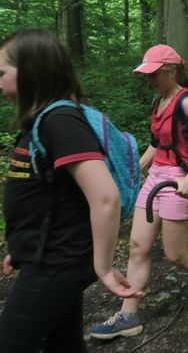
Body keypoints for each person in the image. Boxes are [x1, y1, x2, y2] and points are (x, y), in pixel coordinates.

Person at [0, 29, 143, 352]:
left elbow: (105, 198)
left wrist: (104, 267)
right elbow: (49, 195)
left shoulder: (60, 120)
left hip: (58, 260)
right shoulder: (43, 121)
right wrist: (20, 246)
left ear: (31, 71)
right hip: (49, 254)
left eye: (2, 73)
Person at [90, 44, 188, 340]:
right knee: (138, 247)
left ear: (170, 70)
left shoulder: (187, 102)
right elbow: (157, 143)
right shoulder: (158, 101)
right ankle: (128, 316)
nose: (149, 79)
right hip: (155, 178)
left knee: (175, 254)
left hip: (179, 181)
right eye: (147, 74)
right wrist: (135, 169)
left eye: (154, 74)